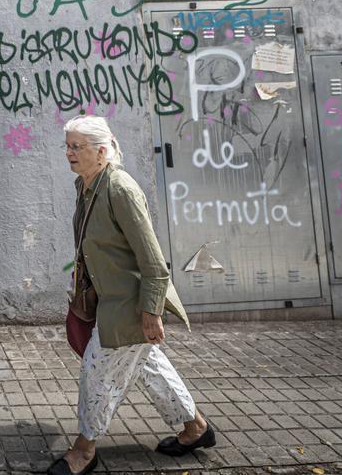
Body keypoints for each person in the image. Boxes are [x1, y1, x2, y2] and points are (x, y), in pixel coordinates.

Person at [47, 116, 215, 475]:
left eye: (77, 147)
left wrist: (150, 312)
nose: (69, 153)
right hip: (109, 300)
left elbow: (153, 261)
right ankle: (195, 428)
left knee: (97, 374)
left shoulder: (120, 189)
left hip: (127, 307)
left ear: (102, 151)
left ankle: (84, 450)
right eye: (68, 146)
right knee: (150, 369)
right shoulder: (87, 185)